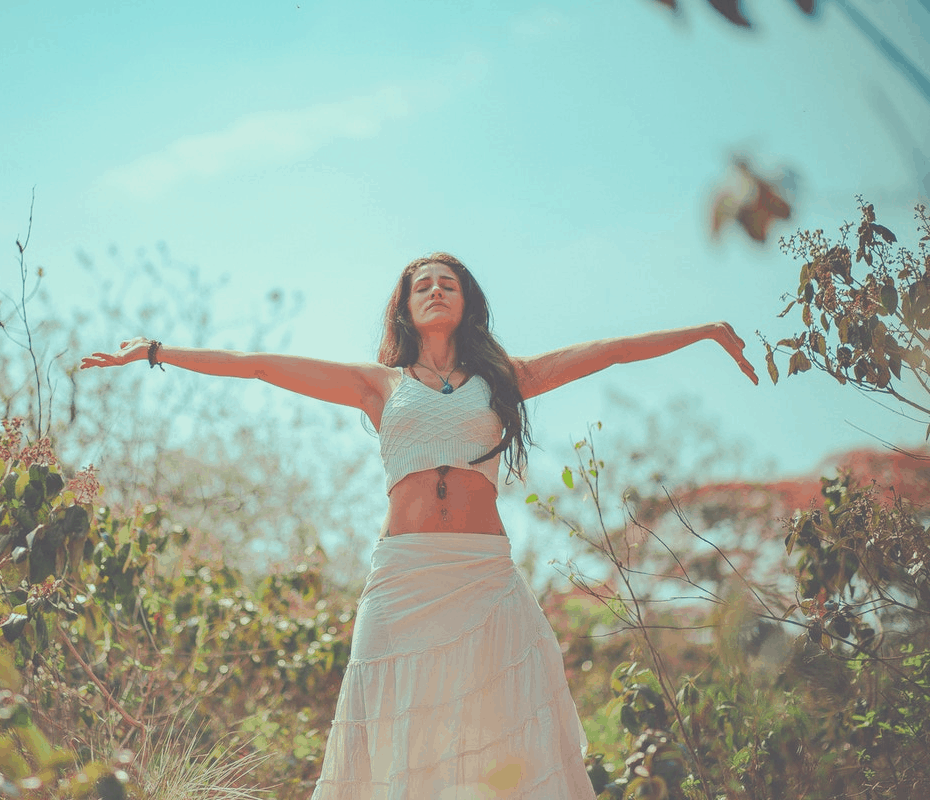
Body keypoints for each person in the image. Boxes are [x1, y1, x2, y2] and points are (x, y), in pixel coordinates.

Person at [80, 253, 758, 799]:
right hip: (403, 577)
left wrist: (700, 331)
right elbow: (259, 366)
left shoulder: (505, 379)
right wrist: (156, 351)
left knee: (500, 728)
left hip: (482, 575)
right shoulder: (378, 384)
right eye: (422, 285)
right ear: (404, 306)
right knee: (391, 730)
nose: (435, 291)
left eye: (449, 283)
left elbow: (606, 351)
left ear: (468, 302)